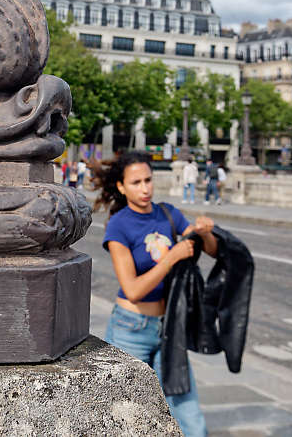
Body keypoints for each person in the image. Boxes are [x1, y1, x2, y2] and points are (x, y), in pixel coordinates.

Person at [94, 150, 214, 436]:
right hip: (130, 329)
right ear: (122, 187)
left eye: (148, 180)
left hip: (169, 326)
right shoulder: (119, 225)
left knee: (186, 408)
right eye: (136, 183)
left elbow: (210, 249)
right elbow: (133, 289)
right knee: (124, 413)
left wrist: (205, 231)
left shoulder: (168, 214)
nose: (145, 188)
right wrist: (171, 258)